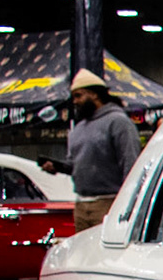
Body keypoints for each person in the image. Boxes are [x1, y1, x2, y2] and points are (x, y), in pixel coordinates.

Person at [39, 69, 141, 231]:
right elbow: (75, 165)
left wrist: (128, 204)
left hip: (109, 203)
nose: (75, 101)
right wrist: (57, 167)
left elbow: (131, 164)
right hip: (81, 205)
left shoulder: (118, 122)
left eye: (78, 96)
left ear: (94, 94)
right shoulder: (78, 129)